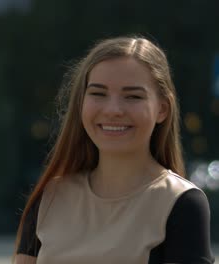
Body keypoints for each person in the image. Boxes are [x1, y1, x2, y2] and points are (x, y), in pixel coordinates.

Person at [14, 36, 215, 264]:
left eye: (133, 96)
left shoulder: (181, 203)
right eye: (98, 94)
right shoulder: (49, 198)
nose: (113, 110)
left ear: (162, 109)